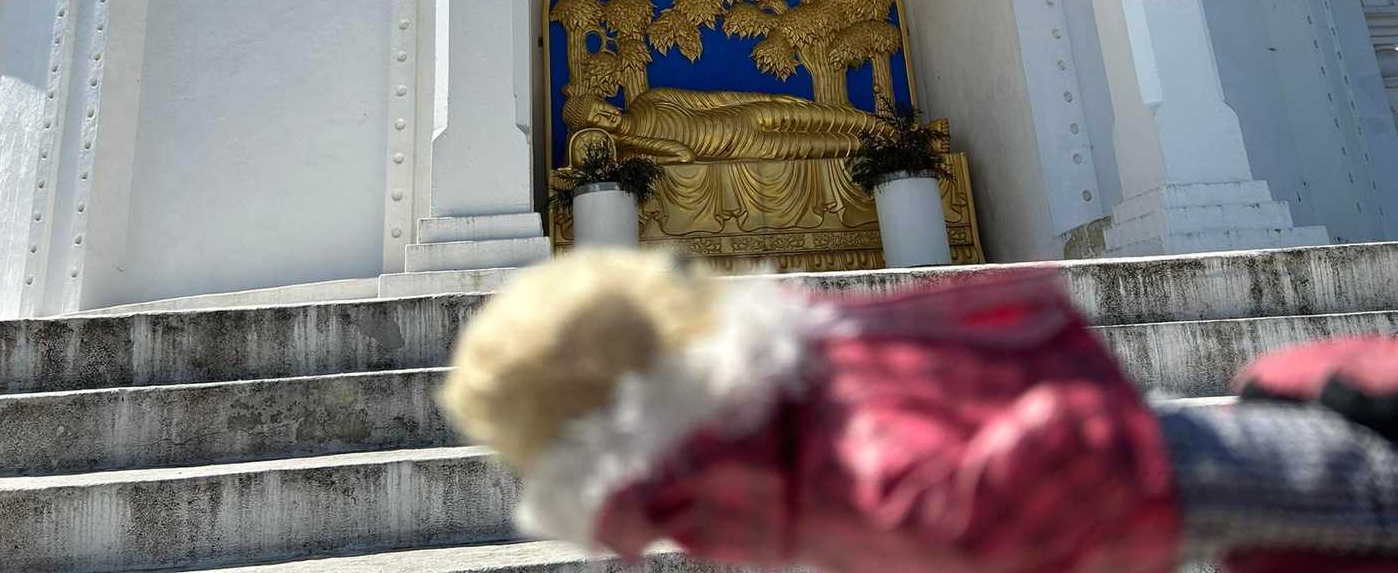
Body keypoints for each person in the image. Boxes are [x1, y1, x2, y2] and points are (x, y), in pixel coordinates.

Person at [442, 250, 1398, 572]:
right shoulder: (791, 434)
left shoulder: (807, 447)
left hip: (1249, 479)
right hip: (1192, 482)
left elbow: (1022, 474)